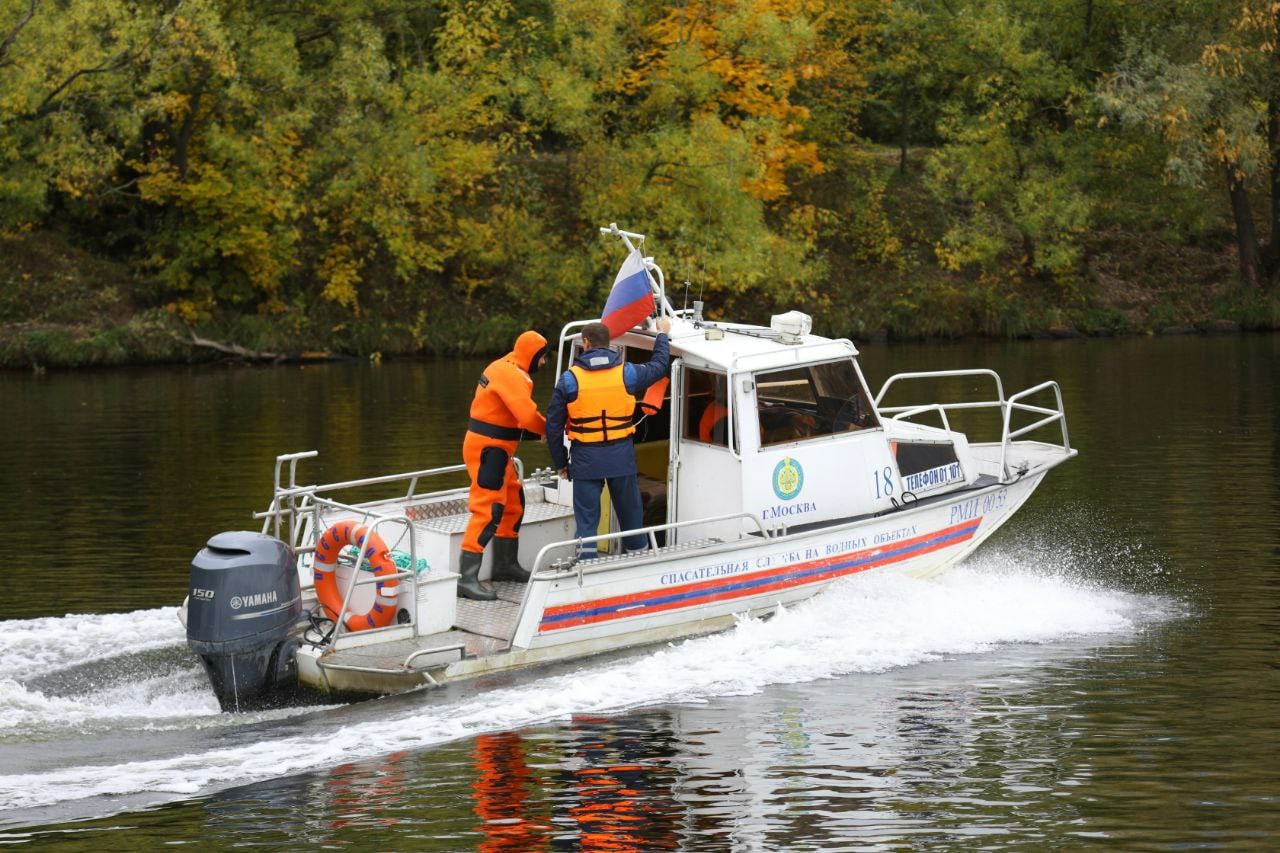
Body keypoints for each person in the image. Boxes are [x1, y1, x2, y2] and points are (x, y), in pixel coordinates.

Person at [546, 317, 671, 560]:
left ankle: (587, 570)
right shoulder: (628, 373)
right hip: (620, 458)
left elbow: (553, 426)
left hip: (585, 460)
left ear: (586, 343)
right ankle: (639, 563)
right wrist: (662, 335)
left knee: (587, 524)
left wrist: (561, 463)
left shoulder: (569, 380)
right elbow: (659, 365)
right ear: (609, 343)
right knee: (631, 517)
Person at [458, 329, 549, 601]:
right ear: (531, 355)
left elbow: (509, 418)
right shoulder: (513, 375)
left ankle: (504, 566)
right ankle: (467, 579)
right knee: (488, 509)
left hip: (497, 448)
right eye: (542, 358)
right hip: (489, 449)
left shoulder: (503, 366)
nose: (543, 364)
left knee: (513, 502)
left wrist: (538, 432)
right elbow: (526, 415)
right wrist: (548, 429)